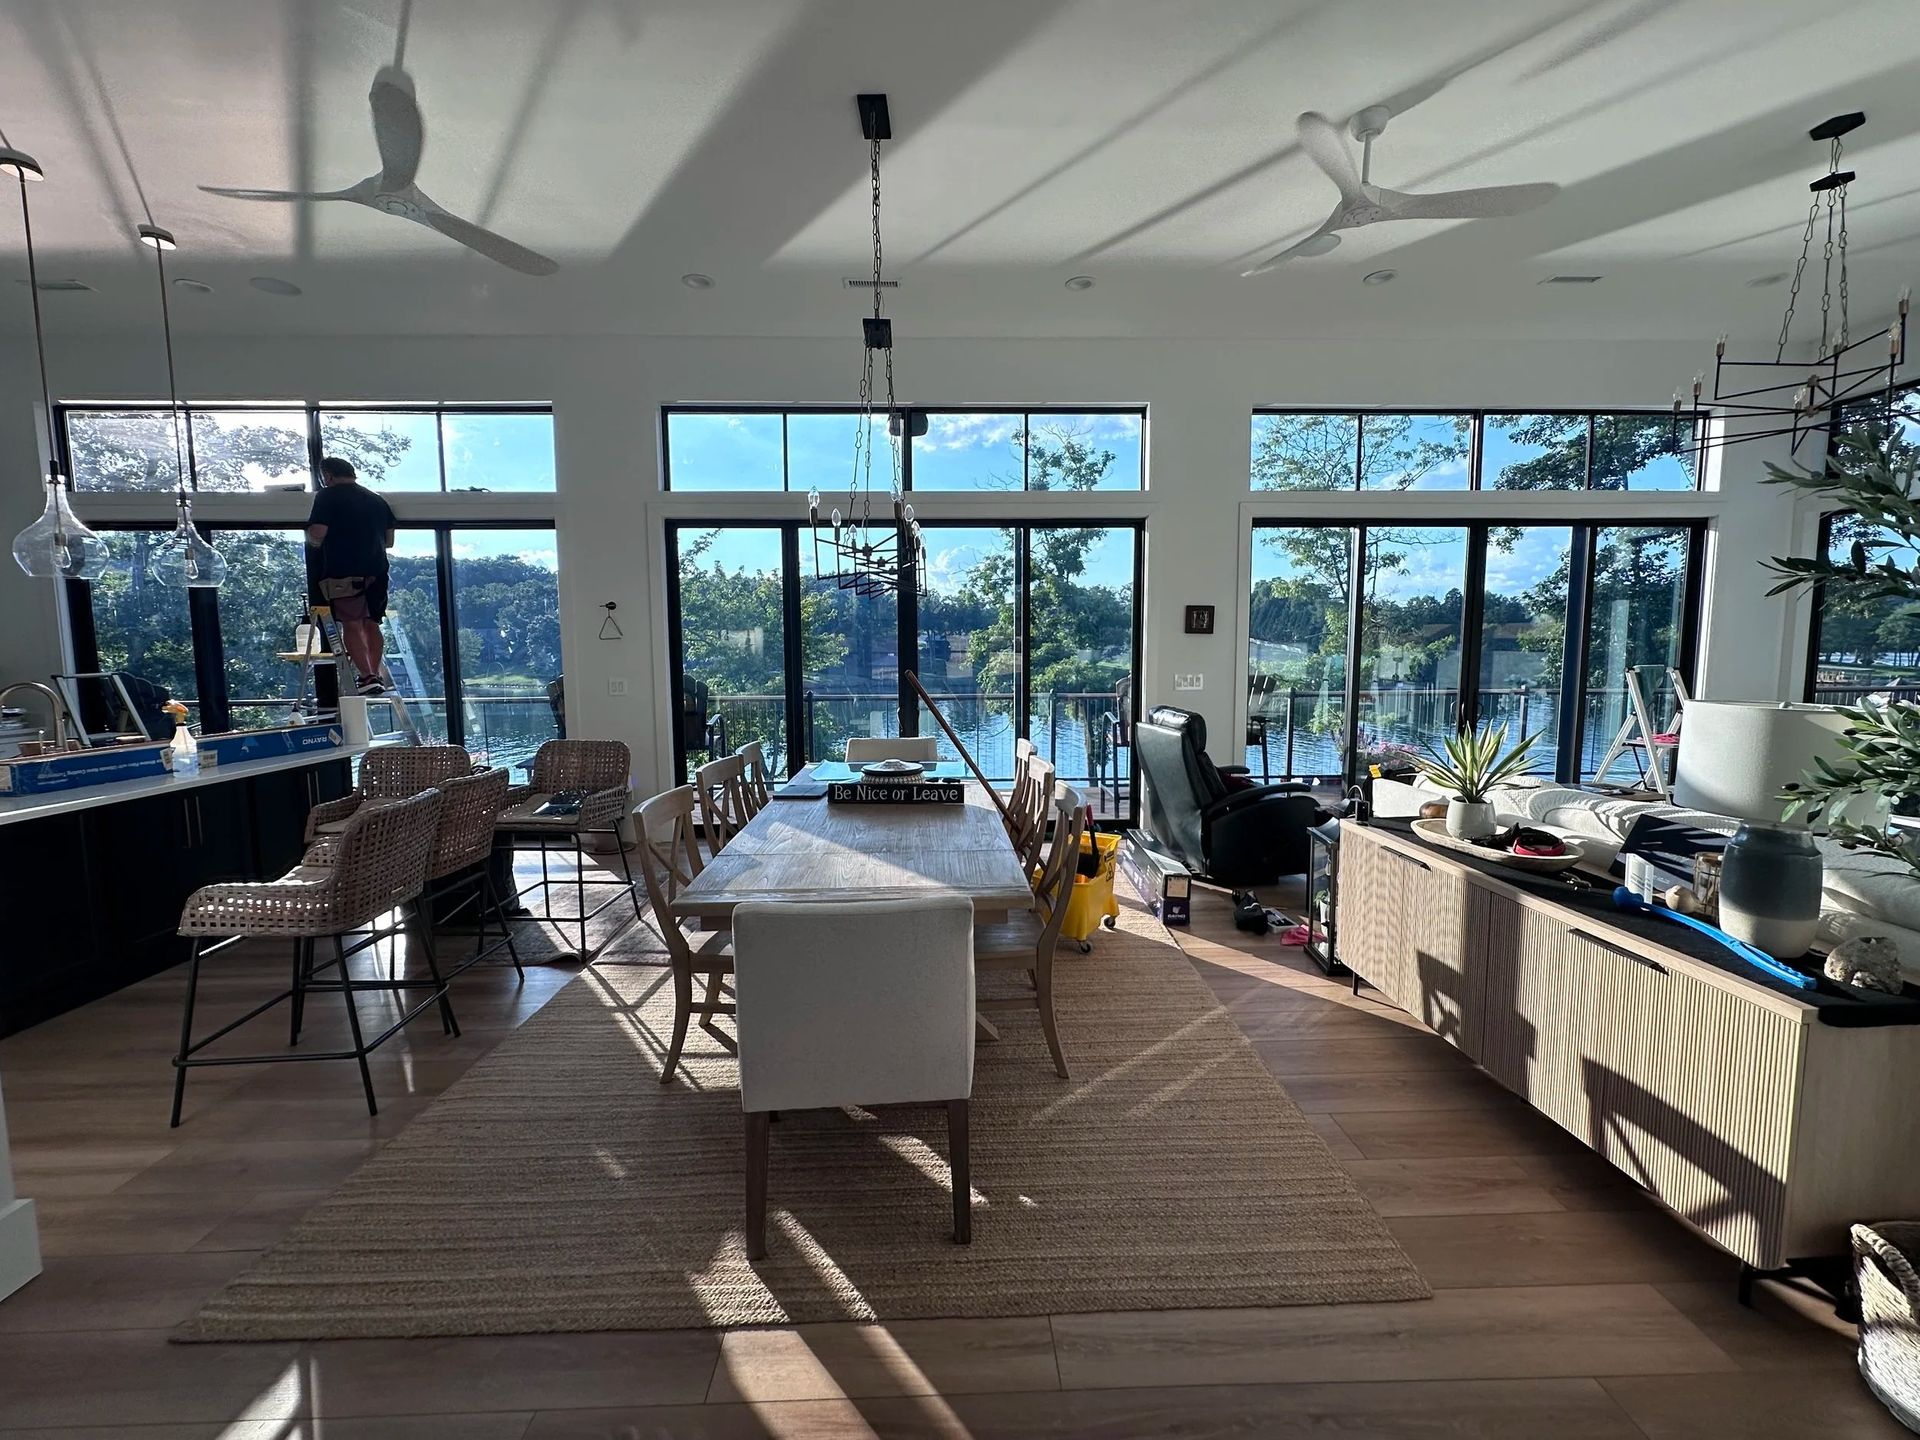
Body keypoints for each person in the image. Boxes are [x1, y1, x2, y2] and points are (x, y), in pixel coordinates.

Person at [306, 456, 396, 696]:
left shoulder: (327, 496)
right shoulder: (377, 500)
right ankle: (374, 674)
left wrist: (313, 540)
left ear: (328, 476)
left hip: (345, 572)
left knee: (352, 623)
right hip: (378, 572)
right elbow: (389, 541)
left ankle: (367, 677)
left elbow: (318, 532)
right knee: (372, 623)